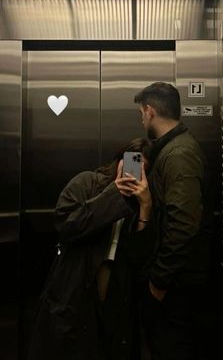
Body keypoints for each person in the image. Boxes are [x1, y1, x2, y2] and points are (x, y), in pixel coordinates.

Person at [26, 137, 154, 360]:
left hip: (116, 294)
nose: (135, 173)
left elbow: (141, 260)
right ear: (119, 161)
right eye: (132, 163)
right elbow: (67, 224)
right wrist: (113, 194)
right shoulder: (87, 182)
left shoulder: (141, 201)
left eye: (142, 168)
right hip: (75, 288)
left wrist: (145, 208)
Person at [134, 82, 212, 360]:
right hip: (174, 282)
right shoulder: (170, 149)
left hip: (176, 287)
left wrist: (158, 283)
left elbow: (183, 225)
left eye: (141, 114)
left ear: (150, 111)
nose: (142, 120)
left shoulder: (179, 154)